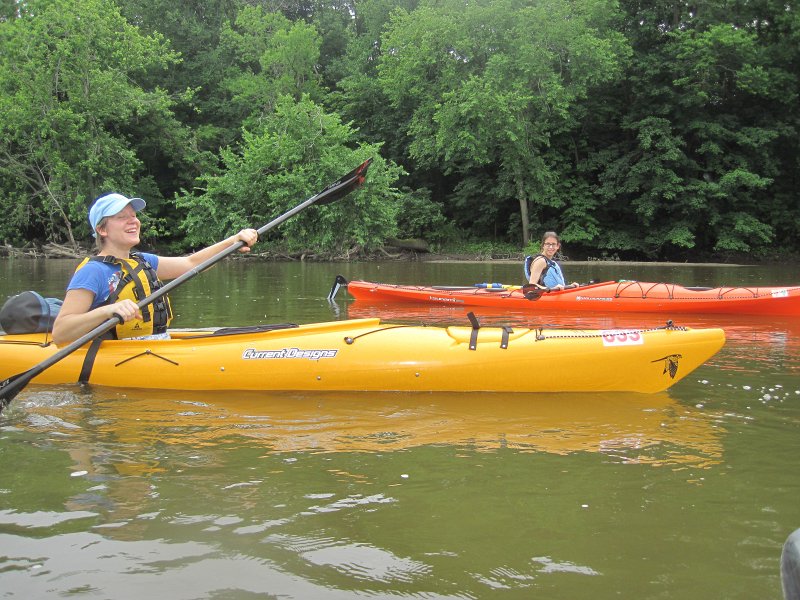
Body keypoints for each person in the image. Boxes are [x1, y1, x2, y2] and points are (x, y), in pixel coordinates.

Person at [52, 193, 258, 345]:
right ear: (102, 229)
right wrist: (108, 310)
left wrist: (233, 241)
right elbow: (60, 333)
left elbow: (192, 264)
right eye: (122, 217)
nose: (133, 220)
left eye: (133, 215)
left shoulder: (143, 261)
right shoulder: (93, 271)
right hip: (117, 355)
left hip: (156, 345)